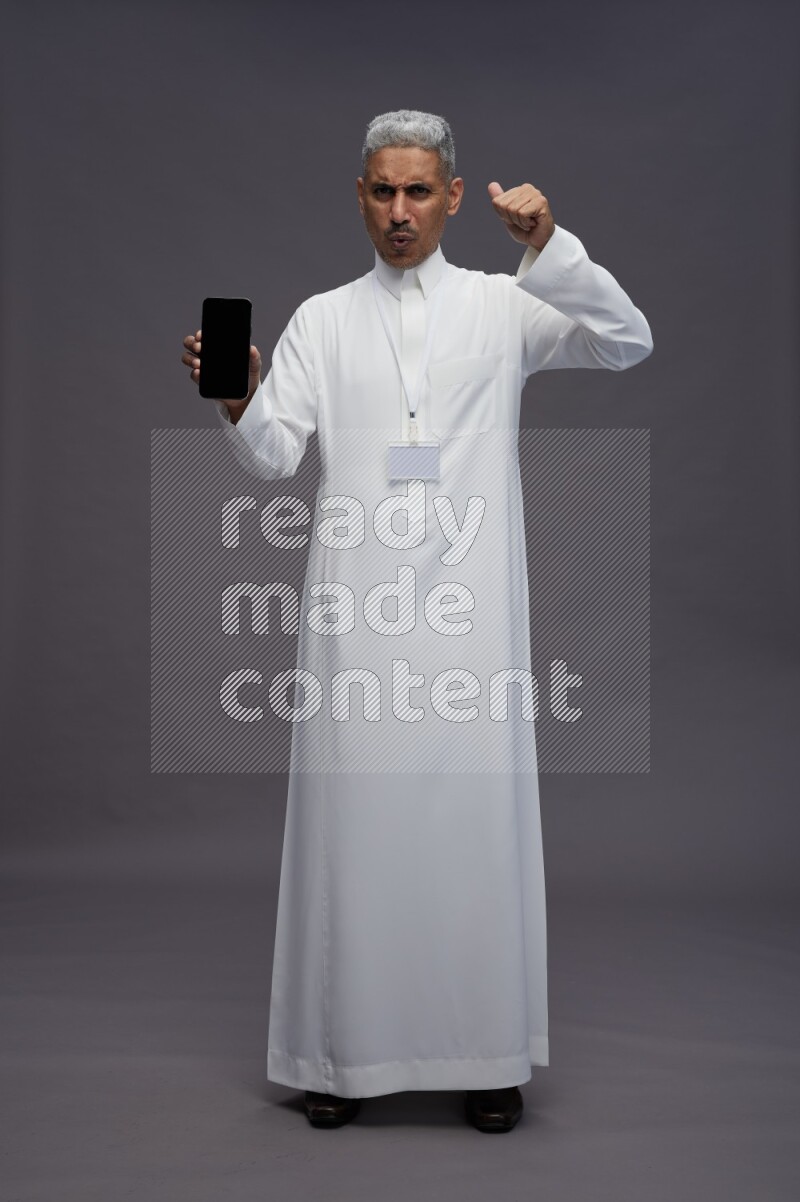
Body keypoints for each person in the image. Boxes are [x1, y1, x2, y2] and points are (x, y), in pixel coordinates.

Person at [181, 109, 653, 1133]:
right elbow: (270, 456)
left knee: (471, 832)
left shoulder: (501, 308)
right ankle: (337, 1054)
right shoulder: (321, 319)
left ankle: (483, 1056)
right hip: (356, 615)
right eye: (381, 191)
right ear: (359, 196)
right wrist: (236, 398)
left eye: (418, 191)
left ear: (449, 196)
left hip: (471, 611)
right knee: (355, 830)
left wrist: (546, 245)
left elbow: (626, 340)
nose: (399, 212)